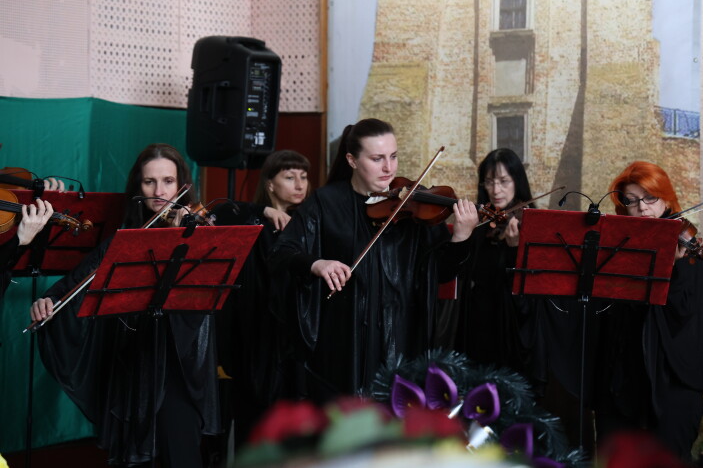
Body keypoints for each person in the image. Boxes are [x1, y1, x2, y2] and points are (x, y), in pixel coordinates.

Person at [30, 143, 218, 468]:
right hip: (134, 369)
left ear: (182, 185)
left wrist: (185, 237)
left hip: (180, 367)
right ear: (138, 188)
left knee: (181, 454)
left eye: (168, 181)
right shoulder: (123, 240)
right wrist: (48, 301)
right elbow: (71, 286)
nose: (159, 192)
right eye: (149, 182)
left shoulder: (201, 232)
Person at [269, 118, 479, 402]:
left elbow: (440, 273)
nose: (388, 168)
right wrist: (317, 264)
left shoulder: (413, 207)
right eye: (377, 158)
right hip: (342, 339)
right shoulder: (325, 202)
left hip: (401, 334)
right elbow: (282, 252)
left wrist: (461, 237)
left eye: (393, 156)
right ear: (352, 160)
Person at [593, 161, 703, 460]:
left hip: (671, 376)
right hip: (623, 374)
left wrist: (671, 265)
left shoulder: (684, 242)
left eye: (650, 198)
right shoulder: (617, 243)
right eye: (632, 201)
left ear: (667, 200)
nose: (642, 208)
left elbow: (683, 312)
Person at [211, 150, 311, 447]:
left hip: (291, 334)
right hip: (254, 335)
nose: (300, 185)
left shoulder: (308, 223)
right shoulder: (253, 220)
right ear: (270, 184)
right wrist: (264, 211)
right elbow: (219, 212)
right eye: (289, 177)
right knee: (254, 424)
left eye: (304, 177)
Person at [455, 148, 545, 388]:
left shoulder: (530, 223)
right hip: (478, 322)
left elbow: (531, 293)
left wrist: (515, 250)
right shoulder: (481, 222)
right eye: (489, 182)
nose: (495, 190)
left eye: (504, 181)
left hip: (511, 327)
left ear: (517, 182)